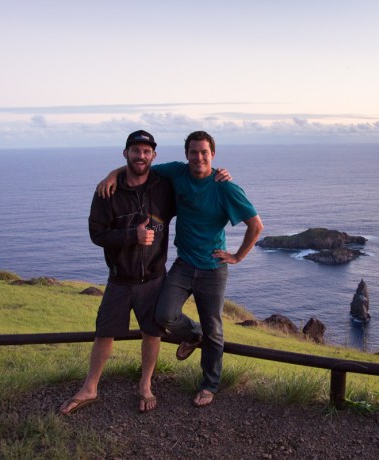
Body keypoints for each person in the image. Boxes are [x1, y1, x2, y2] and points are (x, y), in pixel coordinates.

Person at [98, 131, 263, 407]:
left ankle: (209, 385)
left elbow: (256, 225)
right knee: (163, 315)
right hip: (184, 263)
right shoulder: (177, 172)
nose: (199, 157)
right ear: (186, 154)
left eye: (204, 152)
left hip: (213, 268)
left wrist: (237, 256)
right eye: (194, 152)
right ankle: (192, 334)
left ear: (213, 154)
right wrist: (112, 176)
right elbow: (139, 166)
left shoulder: (226, 187)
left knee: (215, 329)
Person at [60, 129, 175, 415]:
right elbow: (96, 234)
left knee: (152, 332)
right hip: (119, 278)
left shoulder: (164, 187)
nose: (141, 156)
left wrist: (221, 177)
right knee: (104, 333)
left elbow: (197, 185)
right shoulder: (107, 192)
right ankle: (90, 387)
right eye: (135, 150)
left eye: (146, 151)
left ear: (154, 156)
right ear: (125, 154)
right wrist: (130, 236)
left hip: (154, 277)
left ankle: (145, 384)